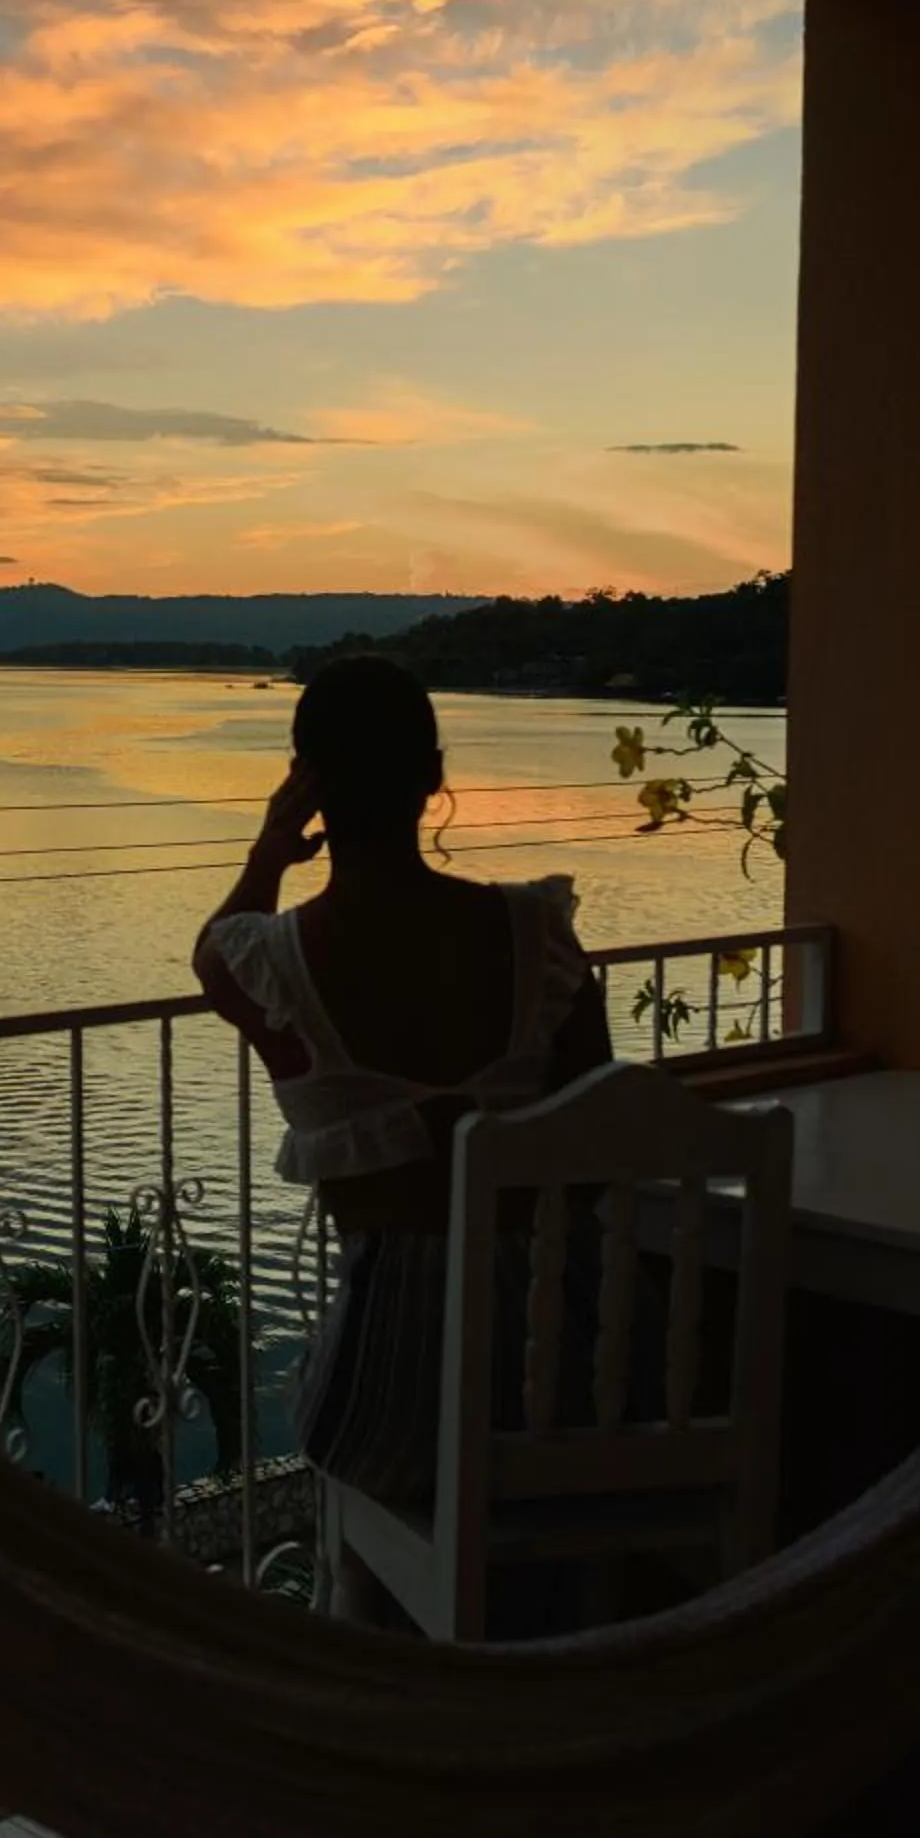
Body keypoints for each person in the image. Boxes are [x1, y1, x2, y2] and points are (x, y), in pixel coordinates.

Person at [193, 655, 614, 1628]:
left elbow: (215, 948)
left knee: (347, 1447)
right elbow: (594, 1139)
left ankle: (380, 1680)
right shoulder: (537, 935)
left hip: (397, 1393)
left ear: (312, 785)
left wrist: (269, 842)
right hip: (581, 1368)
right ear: (433, 774)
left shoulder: (280, 964)